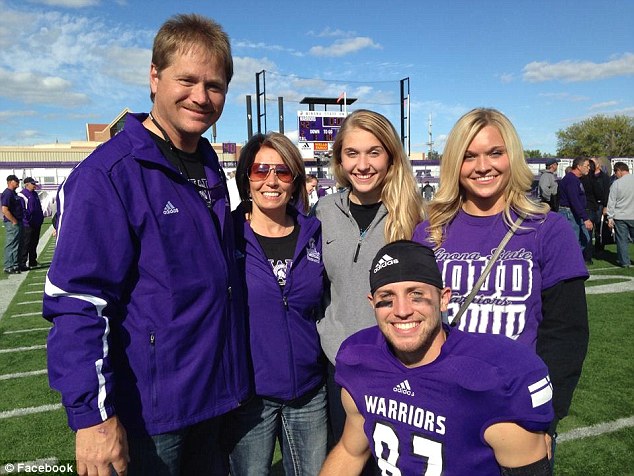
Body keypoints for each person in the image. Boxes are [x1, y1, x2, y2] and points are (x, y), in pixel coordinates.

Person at [42, 14, 251, 476]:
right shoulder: (108, 176)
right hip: (153, 416)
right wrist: (93, 419)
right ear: (154, 77)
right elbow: (78, 302)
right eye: (188, 80)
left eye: (215, 85)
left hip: (215, 398)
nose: (201, 96)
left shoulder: (207, 163)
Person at [412, 108, 588, 463]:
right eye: (469, 156)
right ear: (454, 164)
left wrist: (544, 417)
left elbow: (567, 333)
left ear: (513, 156)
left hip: (515, 410)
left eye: (495, 153)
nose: (482, 166)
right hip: (441, 406)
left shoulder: (547, 229)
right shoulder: (429, 232)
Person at [320, 240, 554, 475]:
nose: (401, 311)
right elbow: (351, 452)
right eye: (387, 298)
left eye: (416, 295)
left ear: (443, 299)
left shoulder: (493, 378)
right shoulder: (361, 360)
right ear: (372, 304)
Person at [314, 109, 425, 459]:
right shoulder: (323, 211)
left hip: (398, 366)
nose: (362, 164)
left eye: (374, 152)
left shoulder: (414, 216)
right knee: (347, 456)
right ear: (339, 159)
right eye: (352, 153)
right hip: (339, 365)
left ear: (390, 156)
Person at [227, 132, 327, 475]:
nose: (271, 180)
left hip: (309, 392)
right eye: (260, 170)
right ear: (246, 177)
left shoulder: (314, 232)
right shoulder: (226, 234)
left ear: (295, 180)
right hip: (250, 395)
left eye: (283, 172)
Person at [558, 157, 593, 263]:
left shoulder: (575, 179)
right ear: (579, 166)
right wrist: (585, 218)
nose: (589, 168)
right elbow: (574, 200)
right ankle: (569, 263)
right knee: (574, 240)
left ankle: (572, 261)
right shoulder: (571, 180)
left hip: (574, 212)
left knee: (584, 239)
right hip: (569, 212)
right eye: (587, 166)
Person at [606, 162, 634, 268]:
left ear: (619, 170)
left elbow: (612, 201)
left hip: (620, 216)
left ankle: (624, 262)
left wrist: (610, 217)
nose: (615, 174)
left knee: (622, 241)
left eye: (615, 172)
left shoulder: (616, 184)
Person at [18, 177, 44, 269]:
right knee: (26, 243)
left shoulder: (35, 194)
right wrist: (27, 220)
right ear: (27, 184)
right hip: (28, 224)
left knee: (34, 243)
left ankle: (33, 261)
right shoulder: (22, 195)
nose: (34, 186)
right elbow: (23, 210)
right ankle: (22, 263)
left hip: (36, 222)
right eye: (32, 184)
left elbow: (38, 207)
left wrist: (41, 218)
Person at [2, 174, 24, 274]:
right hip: (12, 223)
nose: (18, 183)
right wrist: (13, 221)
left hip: (18, 221)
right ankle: (9, 265)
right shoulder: (7, 193)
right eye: (16, 181)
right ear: (10, 182)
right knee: (12, 244)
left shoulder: (14, 193)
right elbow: (4, 209)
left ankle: (16, 264)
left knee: (18, 244)